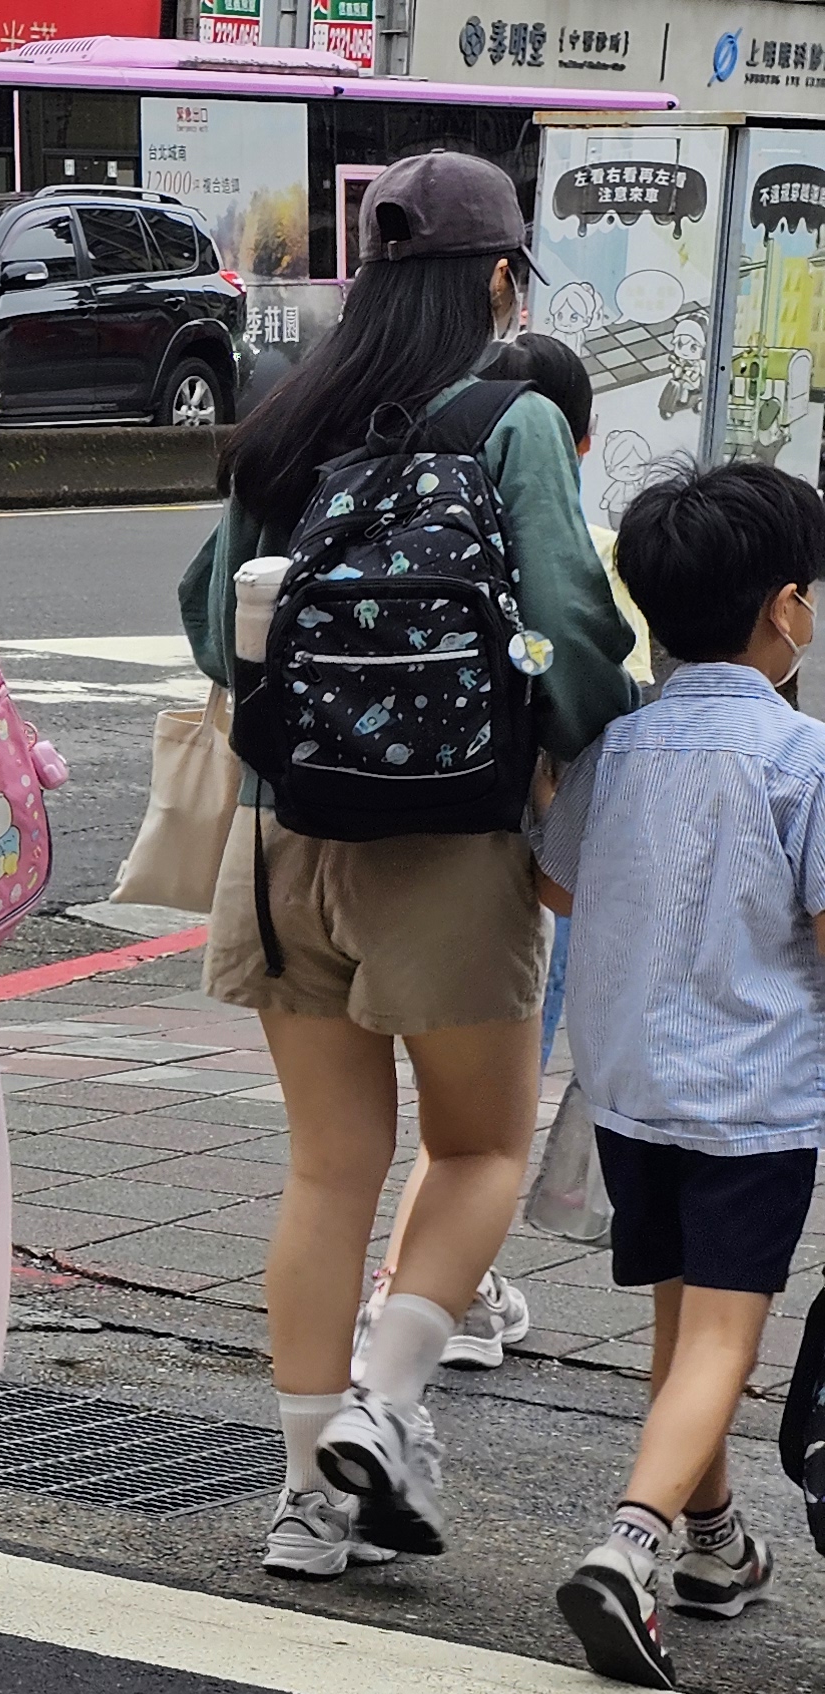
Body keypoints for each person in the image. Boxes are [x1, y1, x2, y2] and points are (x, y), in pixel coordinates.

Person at [176, 151, 636, 1584]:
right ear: (502, 280)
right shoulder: (512, 422)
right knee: (482, 1146)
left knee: (328, 1170)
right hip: (448, 841)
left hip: (280, 831)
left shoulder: (287, 422)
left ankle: (310, 1502)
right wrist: (569, 743)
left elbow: (209, 621)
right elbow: (569, 622)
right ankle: (387, 1401)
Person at [529, 462, 825, 1687]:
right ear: (789, 610)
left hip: (632, 1089)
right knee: (720, 1338)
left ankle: (713, 1543)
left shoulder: (619, 748)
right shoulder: (798, 758)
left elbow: (556, 881)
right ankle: (628, 1546)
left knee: (677, 1323)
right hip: (755, 1097)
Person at [357, 330, 601, 1374]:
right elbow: (582, 679)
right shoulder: (551, 511)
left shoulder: (364, 450)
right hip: (501, 844)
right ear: (570, 442)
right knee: (477, 1133)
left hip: (322, 828)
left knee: (378, 1143)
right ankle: (410, 1300)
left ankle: (421, 1301)